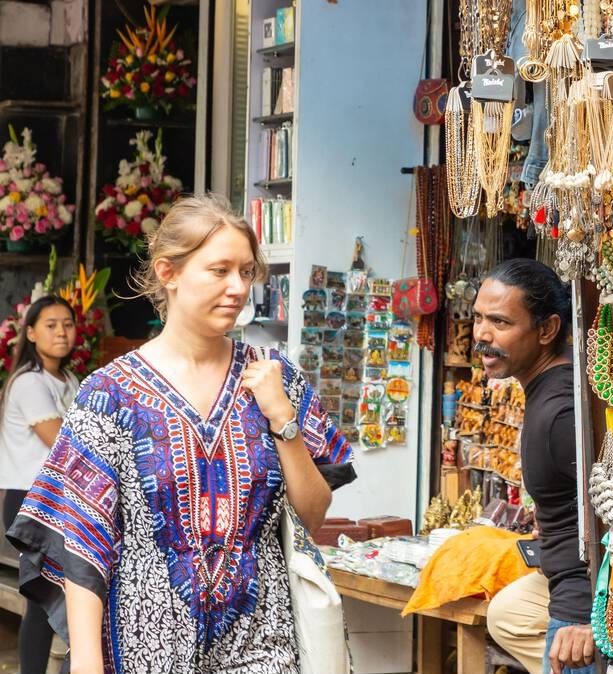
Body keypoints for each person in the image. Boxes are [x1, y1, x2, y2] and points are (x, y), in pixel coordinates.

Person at [8, 194, 354, 674]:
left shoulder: (277, 378)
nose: (238, 288)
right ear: (168, 273)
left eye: (247, 272)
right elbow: (83, 542)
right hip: (146, 645)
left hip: (263, 644)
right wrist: (87, 661)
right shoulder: (111, 393)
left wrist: (283, 421)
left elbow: (312, 516)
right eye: (219, 270)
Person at [476, 259, 593, 674]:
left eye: (500, 322)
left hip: (578, 606)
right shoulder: (553, 388)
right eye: (479, 319)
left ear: (547, 330)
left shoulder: (560, 414)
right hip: (560, 581)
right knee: (505, 614)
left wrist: (588, 620)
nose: (482, 336)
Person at [0, 295, 80, 674]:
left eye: (67, 323)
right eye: (51, 325)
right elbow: (65, 443)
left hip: (59, 501)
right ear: (30, 333)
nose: (61, 332)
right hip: (29, 500)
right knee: (40, 596)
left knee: (57, 596)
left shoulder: (68, 379)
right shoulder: (29, 383)